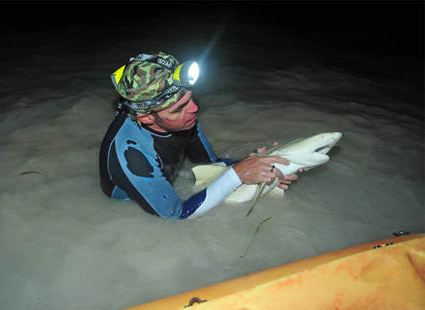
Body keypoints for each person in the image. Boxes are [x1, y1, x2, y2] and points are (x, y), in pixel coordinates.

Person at [99, 52, 298, 219]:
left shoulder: (183, 119)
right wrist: (238, 174)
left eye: (190, 98)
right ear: (148, 118)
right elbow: (176, 215)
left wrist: (262, 166)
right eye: (179, 108)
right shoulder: (130, 154)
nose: (194, 108)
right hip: (128, 209)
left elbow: (210, 164)